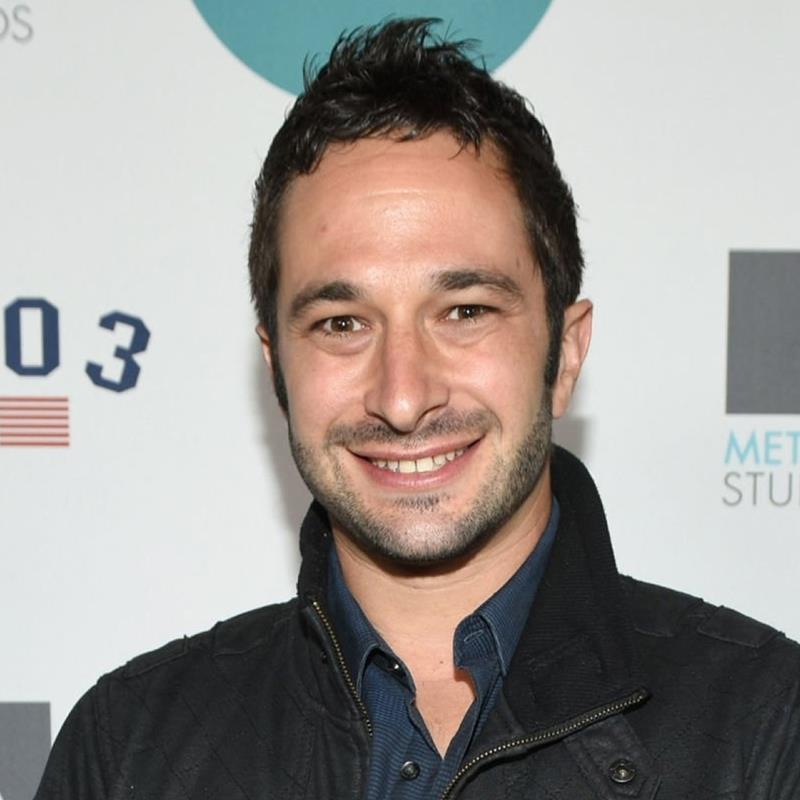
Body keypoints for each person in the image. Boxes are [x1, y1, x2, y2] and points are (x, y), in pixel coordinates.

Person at [36, 18, 799, 799]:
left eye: (465, 311)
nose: (403, 398)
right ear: (277, 368)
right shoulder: (128, 752)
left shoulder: (766, 734)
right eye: (343, 324)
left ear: (565, 353)